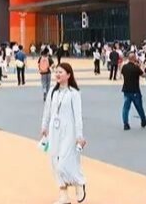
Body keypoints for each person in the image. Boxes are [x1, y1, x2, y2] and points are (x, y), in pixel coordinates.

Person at [39, 63, 86, 204]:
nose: (58, 74)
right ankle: (63, 195)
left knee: (65, 163)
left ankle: (79, 183)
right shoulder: (53, 92)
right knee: (54, 162)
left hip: (69, 132)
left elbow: (78, 116)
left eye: (61, 72)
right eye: (56, 72)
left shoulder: (73, 94)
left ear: (69, 75)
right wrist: (44, 126)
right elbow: (47, 110)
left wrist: (79, 136)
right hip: (54, 131)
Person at [119, 52, 146, 131]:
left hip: (126, 89)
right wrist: (142, 67)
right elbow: (143, 75)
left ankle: (126, 123)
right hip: (135, 90)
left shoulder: (124, 67)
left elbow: (121, 72)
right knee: (139, 107)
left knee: (126, 107)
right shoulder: (136, 67)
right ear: (134, 58)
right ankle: (143, 120)